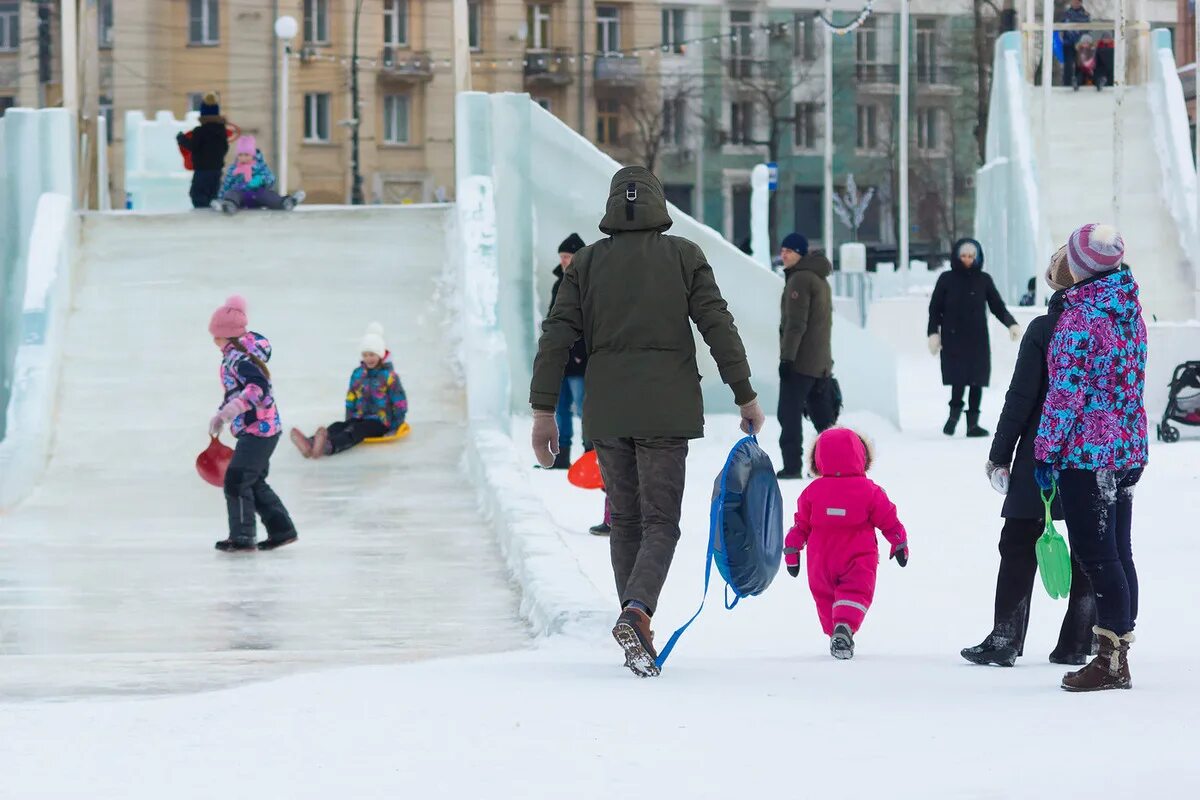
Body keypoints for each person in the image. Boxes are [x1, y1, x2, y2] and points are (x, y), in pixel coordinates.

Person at [530, 166, 764, 678]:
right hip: (666, 407)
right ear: (660, 204)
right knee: (660, 521)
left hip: (608, 409)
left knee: (626, 521)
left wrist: (543, 411)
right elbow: (716, 325)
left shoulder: (586, 263)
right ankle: (637, 612)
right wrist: (744, 394)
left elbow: (555, 336)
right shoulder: (683, 256)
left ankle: (636, 624)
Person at [965, 246, 1096, 668]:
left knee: (1019, 540)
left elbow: (1021, 397)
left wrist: (999, 455)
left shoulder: (1045, 328)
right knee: (1089, 546)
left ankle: (1005, 637)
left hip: (1043, 449)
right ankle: (1080, 638)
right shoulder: (1111, 326)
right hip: (1097, 449)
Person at [1035, 224, 1147, 692]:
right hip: (1125, 448)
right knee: (1118, 551)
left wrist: (1045, 454)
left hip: (1087, 453)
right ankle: (1119, 645)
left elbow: (1064, 396)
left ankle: (1111, 660)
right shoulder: (1126, 309)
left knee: (1098, 556)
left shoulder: (1080, 320)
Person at [782, 427, 909, 660]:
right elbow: (889, 520)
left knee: (825, 596)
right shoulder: (870, 491)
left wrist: (792, 551)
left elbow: (800, 526)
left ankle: (837, 631)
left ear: (817, 460)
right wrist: (899, 542)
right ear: (862, 457)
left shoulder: (812, 492)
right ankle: (844, 627)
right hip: (858, 555)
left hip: (820, 558)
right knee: (855, 591)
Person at [207, 295, 298, 552]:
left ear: (227, 335)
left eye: (216, 334)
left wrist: (231, 411)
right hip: (259, 428)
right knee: (253, 481)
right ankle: (282, 531)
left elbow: (259, 389)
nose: (213, 339)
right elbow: (236, 391)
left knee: (236, 480)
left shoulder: (240, 359)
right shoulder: (235, 356)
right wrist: (222, 414)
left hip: (259, 429)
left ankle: (243, 537)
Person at [927, 238, 1020, 438]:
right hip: (953, 338)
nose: (967, 260)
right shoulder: (946, 279)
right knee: (958, 379)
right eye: (964, 256)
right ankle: (953, 417)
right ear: (956, 256)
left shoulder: (983, 279)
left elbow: (997, 306)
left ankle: (972, 425)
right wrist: (933, 333)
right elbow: (934, 309)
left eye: (971, 256)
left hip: (977, 338)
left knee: (977, 380)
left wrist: (1011, 323)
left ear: (977, 257)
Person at [290, 323, 408, 459]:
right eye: (365, 355)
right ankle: (311, 443)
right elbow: (351, 397)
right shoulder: (358, 373)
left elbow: (400, 403)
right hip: (358, 417)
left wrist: (395, 427)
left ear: (380, 355)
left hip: (380, 422)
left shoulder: (389, 376)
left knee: (357, 430)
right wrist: (349, 418)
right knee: (338, 426)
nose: (368, 358)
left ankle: (330, 446)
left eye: (372, 354)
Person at [777, 232, 836, 479]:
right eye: (782, 250)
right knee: (823, 419)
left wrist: (787, 358)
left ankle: (792, 466)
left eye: (789, 251)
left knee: (788, 414)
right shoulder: (819, 279)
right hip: (820, 361)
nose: (784, 255)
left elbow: (795, 324)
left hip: (801, 362)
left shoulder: (800, 280)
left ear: (800, 254)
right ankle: (835, 464)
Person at [548, 233, 588, 470]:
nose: (563, 261)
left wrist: (580, 351)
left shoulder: (587, 283)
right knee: (560, 409)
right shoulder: (558, 283)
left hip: (579, 359)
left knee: (584, 410)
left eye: (567, 256)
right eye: (561, 257)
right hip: (560, 359)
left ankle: (590, 454)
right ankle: (562, 456)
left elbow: (587, 321)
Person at [215, 136, 304, 213]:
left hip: (257, 194)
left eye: (246, 155)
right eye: (240, 155)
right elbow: (226, 184)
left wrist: (261, 179)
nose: (243, 158)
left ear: (252, 155)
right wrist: (221, 197)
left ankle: (285, 203)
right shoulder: (233, 169)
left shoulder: (259, 166)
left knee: (267, 195)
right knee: (232, 193)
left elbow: (271, 178)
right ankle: (229, 205)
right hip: (240, 196)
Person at [177, 93, 231, 209]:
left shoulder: (200, 131)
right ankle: (214, 206)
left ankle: (202, 219)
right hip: (216, 169)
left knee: (197, 194)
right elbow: (225, 147)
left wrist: (182, 139)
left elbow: (192, 146)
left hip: (202, 169)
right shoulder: (222, 132)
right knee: (213, 193)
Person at [1061, 0, 1091, 89]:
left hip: (1081, 44)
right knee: (1068, 64)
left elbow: (1087, 30)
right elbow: (1062, 28)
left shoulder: (1085, 15)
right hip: (1068, 43)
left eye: (1077, 2)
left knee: (1080, 64)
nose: (1075, 3)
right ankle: (1067, 85)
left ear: (1080, 3)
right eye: (1073, 2)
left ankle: (1079, 83)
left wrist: (1081, 42)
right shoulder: (1066, 14)